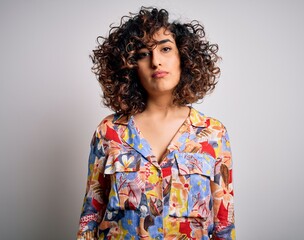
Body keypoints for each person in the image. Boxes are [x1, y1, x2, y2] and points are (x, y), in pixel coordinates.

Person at [77, 6, 235, 240]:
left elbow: (224, 225)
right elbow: (90, 219)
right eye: (143, 54)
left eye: (166, 49)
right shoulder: (109, 132)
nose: (156, 61)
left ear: (184, 57)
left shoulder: (213, 134)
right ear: (130, 66)